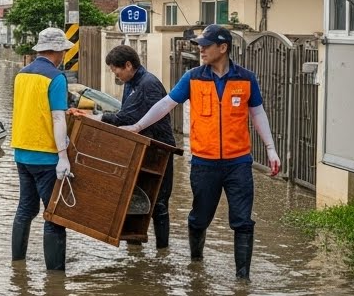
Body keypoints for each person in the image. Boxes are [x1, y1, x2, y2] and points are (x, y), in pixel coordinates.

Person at [118, 24, 281, 279]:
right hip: (204, 163)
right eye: (200, 46)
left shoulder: (246, 79)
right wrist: (138, 127)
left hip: (238, 162)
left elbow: (257, 112)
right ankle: (197, 264)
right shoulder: (193, 77)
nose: (201, 50)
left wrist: (271, 149)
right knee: (199, 218)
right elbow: (166, 104)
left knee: (242, 221)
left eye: (206, 46)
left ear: (223, 47)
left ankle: (243, 279)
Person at [69, 44, 176, 249]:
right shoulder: (130, 83)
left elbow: (128, 117)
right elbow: (125, 114)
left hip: (159, 150)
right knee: (133, 197)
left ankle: (163, 252)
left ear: (128, 65)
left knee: (159, 203)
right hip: (138, 146)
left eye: (115, 69)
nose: (114, 74)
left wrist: (96, 117)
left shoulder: (148, 84)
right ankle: (135, 246)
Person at [11, 27, 75, 271]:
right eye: (64, 51)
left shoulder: (21, 75)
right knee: (54, 214)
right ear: (58, 51)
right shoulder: (56, 78)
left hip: (21, 152)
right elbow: (58, 118)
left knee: (26, 209)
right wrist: (63, 156)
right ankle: (55, 278)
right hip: (46, 156)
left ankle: (17, 264)